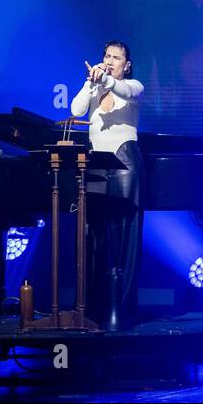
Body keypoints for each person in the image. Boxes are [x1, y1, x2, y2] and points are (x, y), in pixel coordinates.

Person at [71, 41, 145, 330]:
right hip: (97, 165)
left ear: (126, 65)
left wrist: (108, 80)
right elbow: (76, 109)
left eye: (116, 57)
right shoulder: (97, 87)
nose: (110, 60)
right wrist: (91, 84)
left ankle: (122, 307)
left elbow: (125, 90)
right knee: (95, 233)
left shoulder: (133, 86)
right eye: (107, 56)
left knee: (125, 235)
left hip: (126, 163)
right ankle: (95, 306)